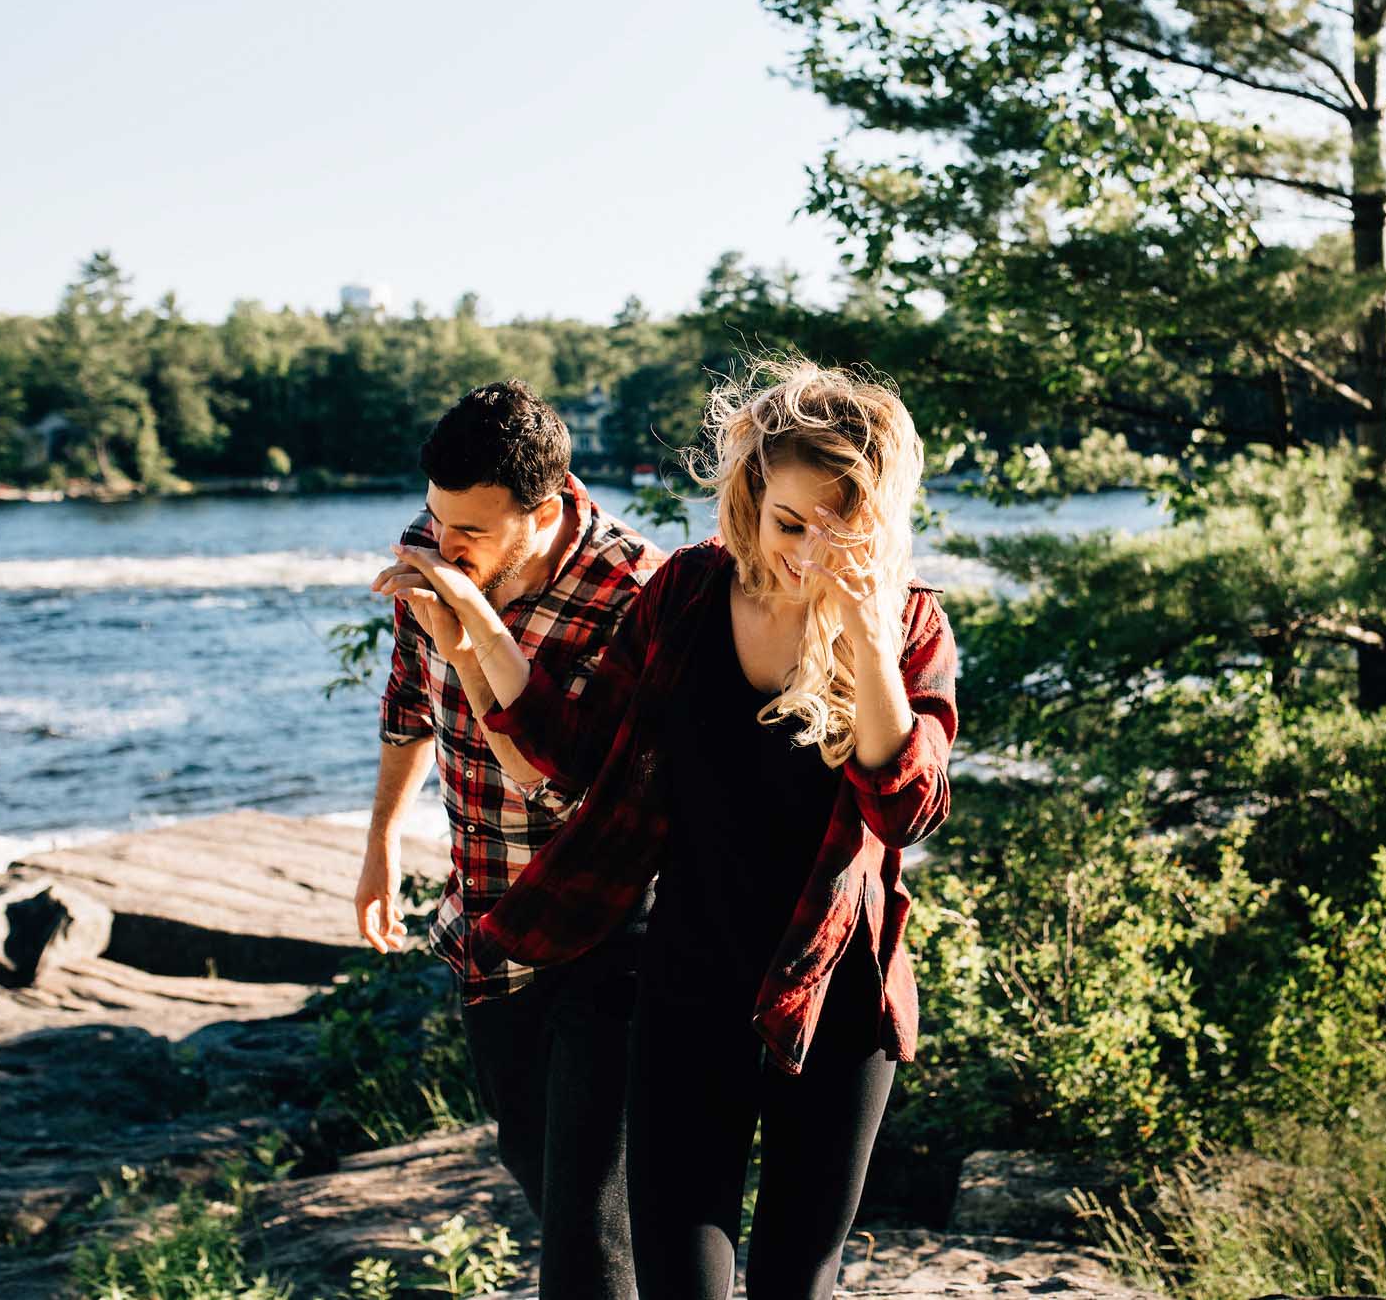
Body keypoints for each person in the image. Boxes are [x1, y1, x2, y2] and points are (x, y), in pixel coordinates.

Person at [381, 357, 958, 1300]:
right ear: (751, 495)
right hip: (689, 987)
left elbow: (907, 808)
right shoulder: (688, 594)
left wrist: (864, 633)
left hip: (836, 996)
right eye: (790, 523)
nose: (808, 552)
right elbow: (572, 754)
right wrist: (476, 632)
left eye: (840, 527)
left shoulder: (909, 624)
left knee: (791, 1285)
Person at [356, 379, 663, 1300]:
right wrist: (380, 843)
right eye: (437, 519)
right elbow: (410, 701)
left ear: (547, 505)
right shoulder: (434, 550)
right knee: (537, 1171)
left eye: (472, 532)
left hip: (613, 927)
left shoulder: (637, 591)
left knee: (585, 1230)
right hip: (487, 921)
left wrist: (477, 635)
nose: (445, 546)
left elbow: (577, 789)